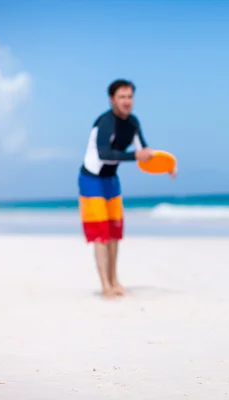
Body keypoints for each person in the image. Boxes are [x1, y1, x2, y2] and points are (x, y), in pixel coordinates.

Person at [78, 79, 176, 299]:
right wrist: (134, 156)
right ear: (112, 99)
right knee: (101, 235)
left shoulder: (133, 123)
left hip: (111, 179)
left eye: (129, 96)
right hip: (91, 180)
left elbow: (144, 151)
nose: (126, 101)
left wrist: (167, 165)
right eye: (121, 97)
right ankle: (105, 286)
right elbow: (104, 153)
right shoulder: (105, 123)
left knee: (114, 233)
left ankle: (115, 281)